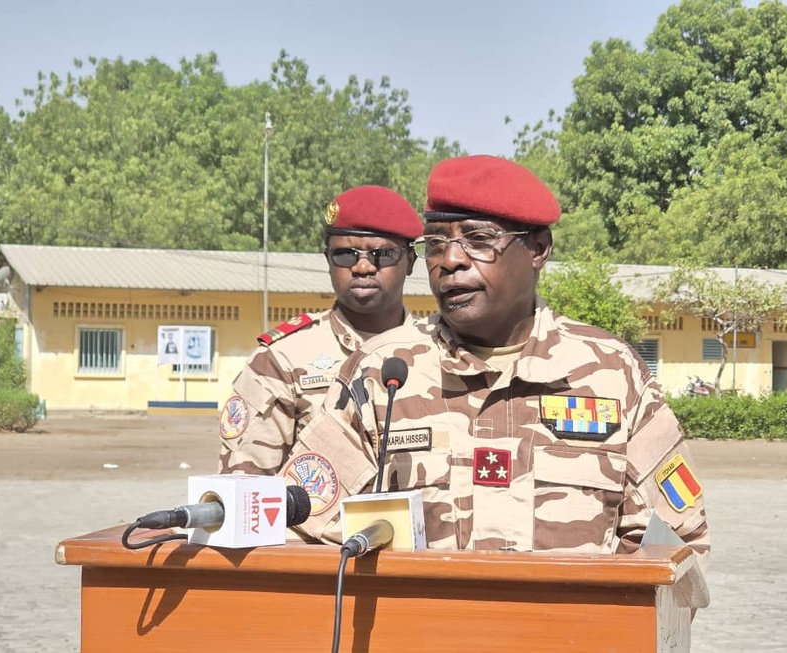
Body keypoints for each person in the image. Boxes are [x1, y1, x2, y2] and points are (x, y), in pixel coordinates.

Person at [283, 155, 710, 569]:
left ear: (537, 249)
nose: (450, 261)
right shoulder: (381, 373)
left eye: (479, 239)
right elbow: (298, 532)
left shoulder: (612, 373)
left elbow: (676, 547)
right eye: (436, 244)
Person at [218, 185, 423, 475]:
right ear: (328, 261)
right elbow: (246, 485)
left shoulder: (443, 354)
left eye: (382, 254)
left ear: (410, 261)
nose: (363, 267)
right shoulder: (280, 360)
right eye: (346, 255)